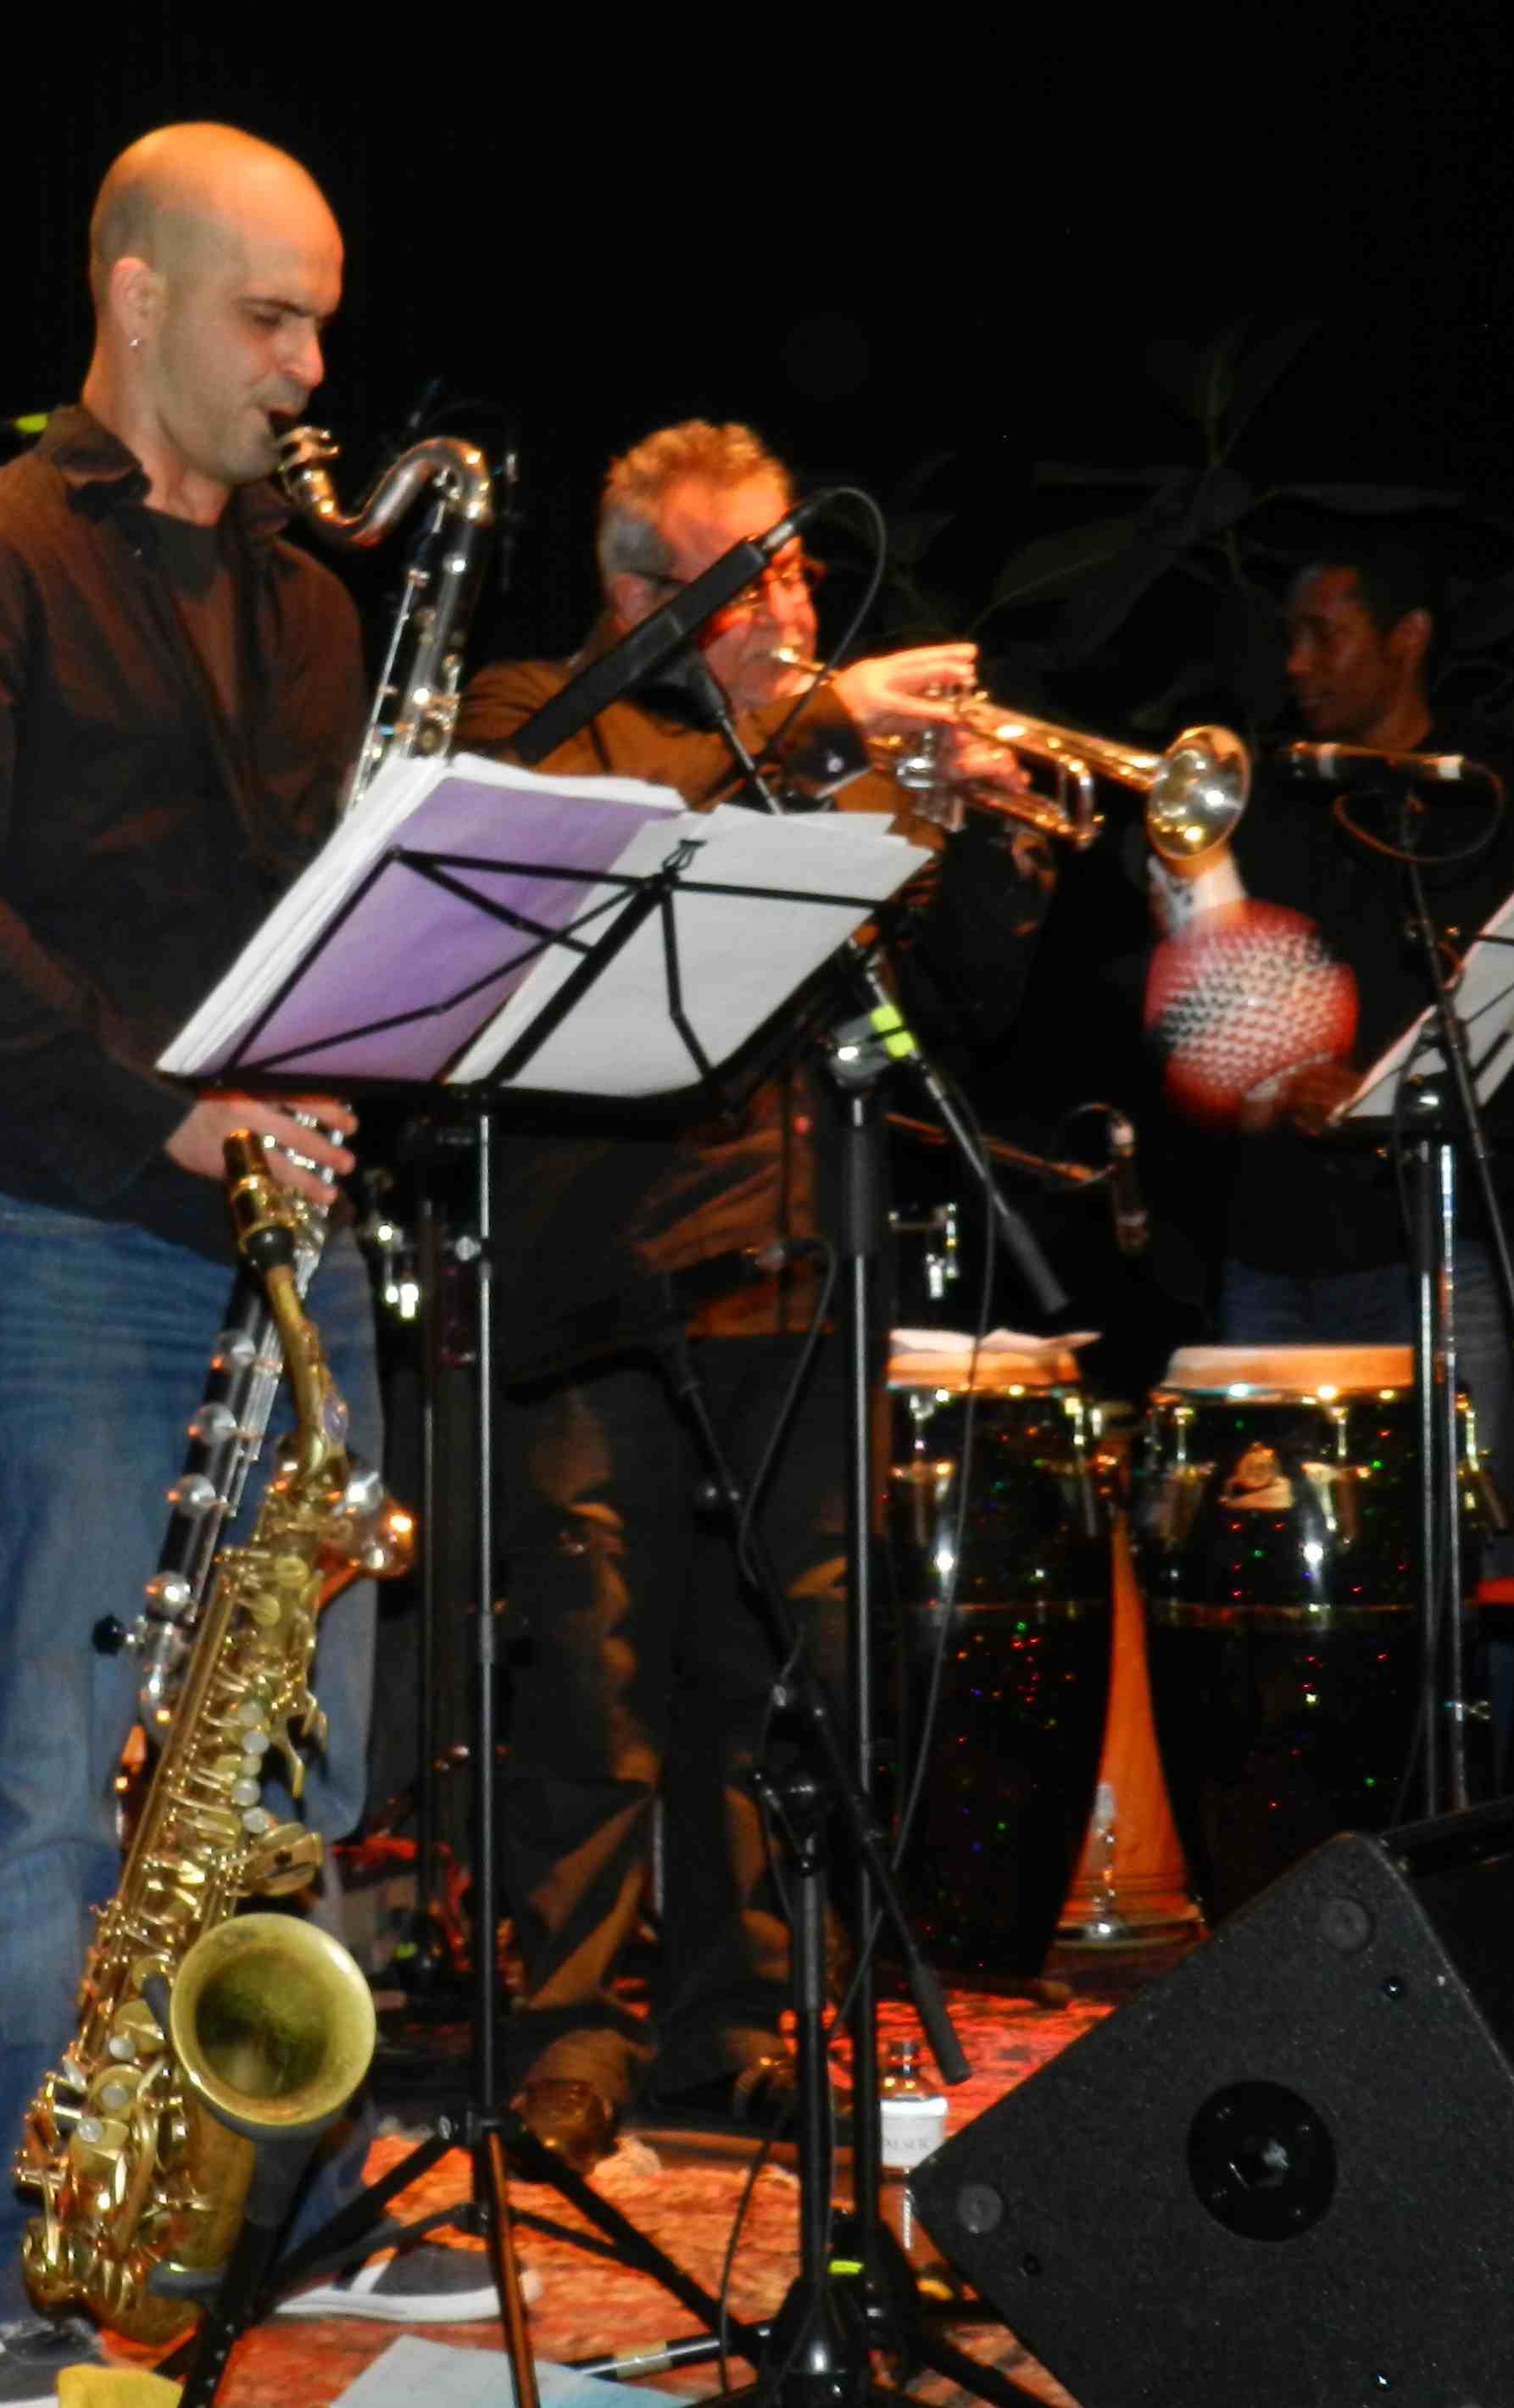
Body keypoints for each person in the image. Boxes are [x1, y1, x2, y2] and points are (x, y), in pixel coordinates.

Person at [0, 123, 500, 2408]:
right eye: (270, 317)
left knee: (293, 1770)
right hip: (68, 1220)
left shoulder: (311, 604)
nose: (310, 368)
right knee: (52, 1773)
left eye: (323, 323)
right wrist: (165, 1105)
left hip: (288, 1236)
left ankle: (268, 2223)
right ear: (134, 298)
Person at [456, 419, 1051, 2176]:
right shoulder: (534, 715)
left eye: (796, 568)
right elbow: (615, 855)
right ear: (638, 590)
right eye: (750, 577)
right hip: (591, 1276)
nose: (791, 608)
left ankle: (748, 2021)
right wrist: (833, 725)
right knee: (592, 1680)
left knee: (780, 1685)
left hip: (795, 1270)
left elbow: (976, 1003)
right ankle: (569, 2032)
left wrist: (976, 826)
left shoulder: (820, 757)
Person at [1141, 542, 1514, 1538]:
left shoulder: (1481, 802)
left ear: (1405, 640)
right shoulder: (1269, 803)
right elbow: (1202, 1032)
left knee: (1465, 1546)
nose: (1296, 664)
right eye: (1290, 638)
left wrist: (1381, 1091)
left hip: (1437, 1253)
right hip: (1270, 1254)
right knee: (1281, 1553)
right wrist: (1261, 1078)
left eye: (1324, 637)